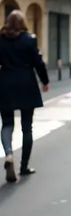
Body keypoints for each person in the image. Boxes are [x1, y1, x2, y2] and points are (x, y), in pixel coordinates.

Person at [0, 10, 49, 182]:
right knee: (27, 127)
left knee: (6, 123)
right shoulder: (29, 40)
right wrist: (45, 81)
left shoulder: (0, 40)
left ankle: (8, 155)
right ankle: (24, 166)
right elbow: (38, 62)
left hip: (5, 83)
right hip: (26, 84)